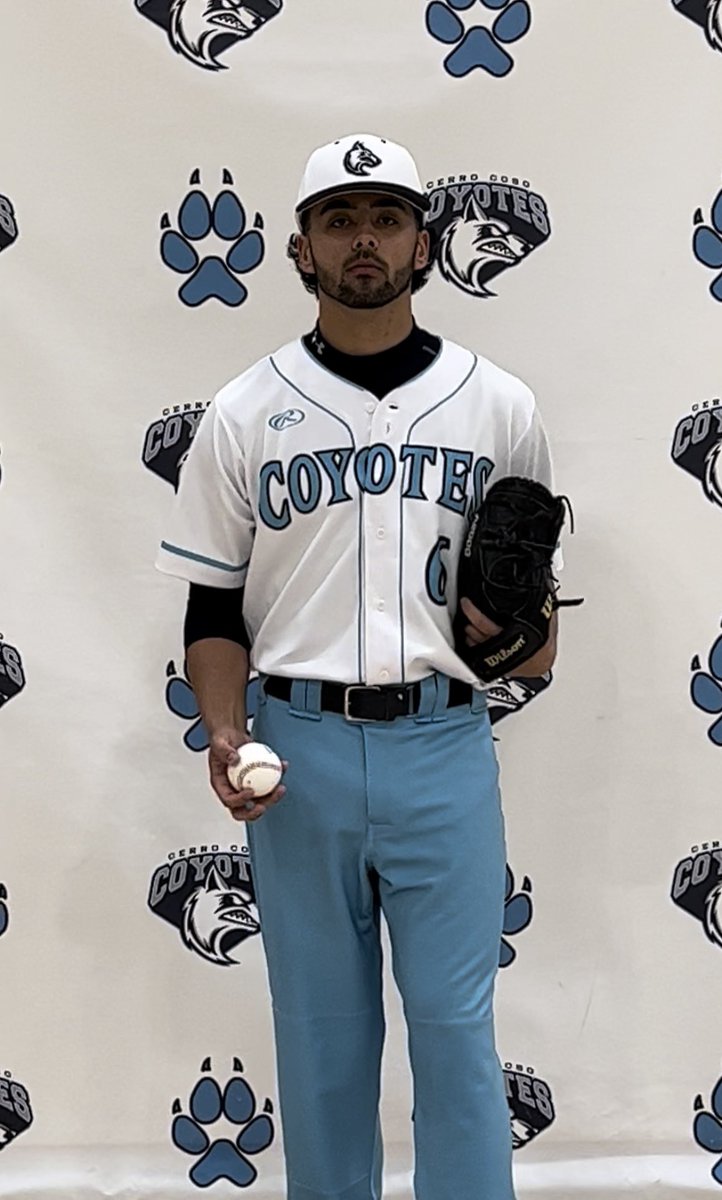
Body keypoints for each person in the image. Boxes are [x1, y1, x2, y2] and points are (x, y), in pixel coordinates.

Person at [156, 132, 559, 1200]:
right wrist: (227, 730)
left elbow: (538, 630)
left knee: (454, 1041)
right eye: (339, 220)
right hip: (298, 757)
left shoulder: (498, 405)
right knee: (322, 1045)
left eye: (384, 218)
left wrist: (516, 637)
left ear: (423, 244)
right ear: (298, 250)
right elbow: (210, 608)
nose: (363, 240)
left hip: (443, 744)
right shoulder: (244, 411)